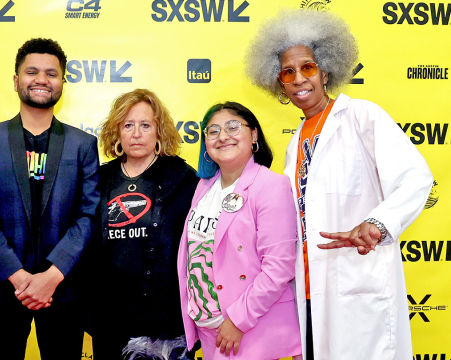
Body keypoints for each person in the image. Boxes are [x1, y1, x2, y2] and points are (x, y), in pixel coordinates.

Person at [245, 9, 434, 360]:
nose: (299, 79)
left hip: (355, 282)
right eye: (288, 72)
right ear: (279, 84)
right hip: (308, 291)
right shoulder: (295, 142)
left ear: (325, 71)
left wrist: (377, 225)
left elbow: (416, 177)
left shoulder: (362, 116)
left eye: (308, 67)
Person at [0, 38, 99, 360]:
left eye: (52, 73)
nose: (42, 79)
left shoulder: (83, 144)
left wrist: (52, 276)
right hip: (4, 286)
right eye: (32, 71)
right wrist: (18, 275)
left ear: (63, 83)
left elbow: (88, 215)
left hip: (63, 290)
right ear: (16, 81)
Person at [177, 102, 301, 360]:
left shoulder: (271, 186)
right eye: (213, 131)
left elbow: (279, 268)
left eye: (233, 127)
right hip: (210, 330)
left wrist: (238, 320)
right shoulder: (205, 187)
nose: (222, 136)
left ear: (253, 135)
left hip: (249, 330)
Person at [90, 89, 198, 359]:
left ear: (159, 132)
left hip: (165, 321)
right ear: (117, 132)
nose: (136, 133)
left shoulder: (184, 180)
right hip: (110, 319)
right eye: (128, 125)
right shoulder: (97, 180)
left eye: (145, 125)